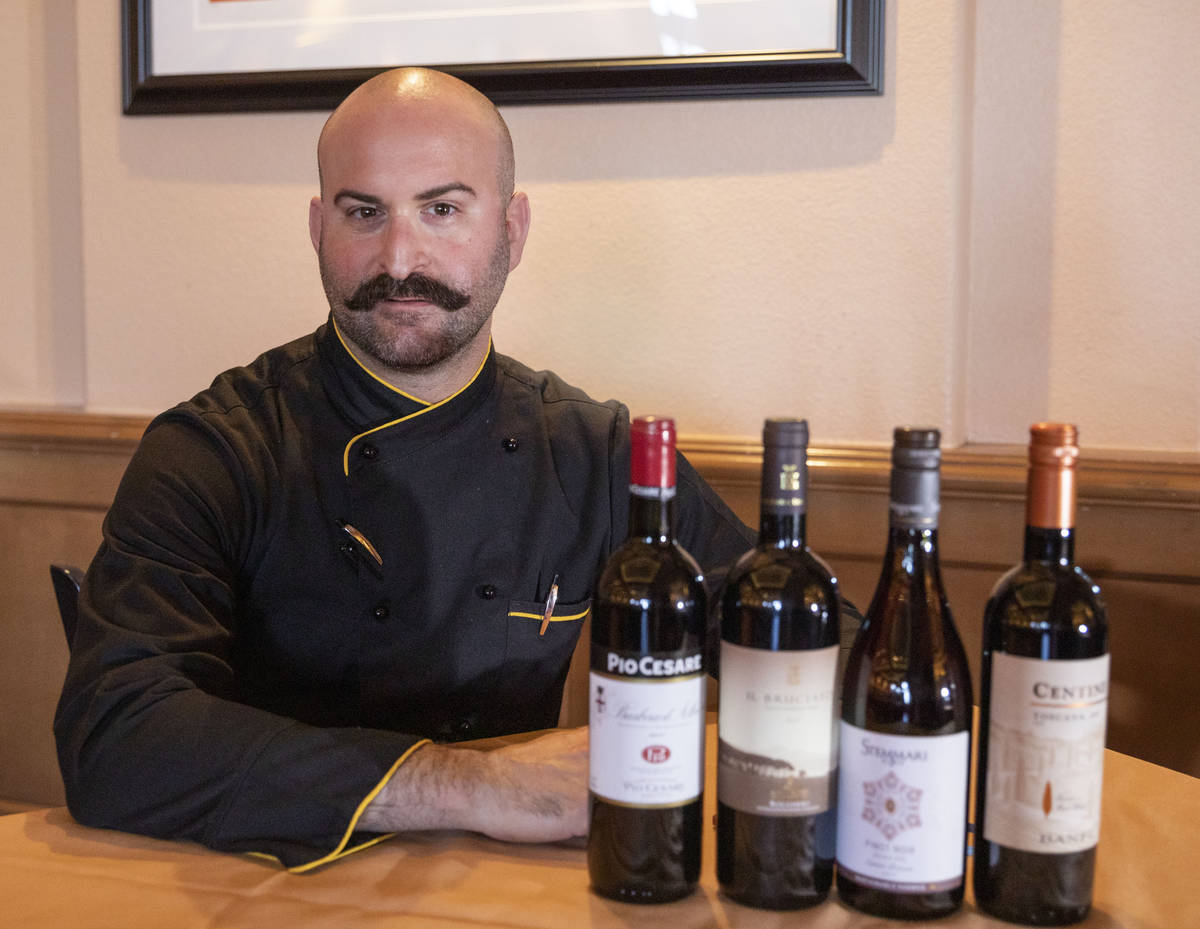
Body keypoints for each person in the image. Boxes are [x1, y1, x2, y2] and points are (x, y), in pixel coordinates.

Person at [53, 67, 755, 871]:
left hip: (505, 884)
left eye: (442, 209)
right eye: (364, 212)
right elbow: (115, 731)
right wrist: (469, 786)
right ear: (317, 227)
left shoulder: (593, 450)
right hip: (265, 882)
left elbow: (791, 640)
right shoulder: (215, 450)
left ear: (513, 230)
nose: (399, 257)